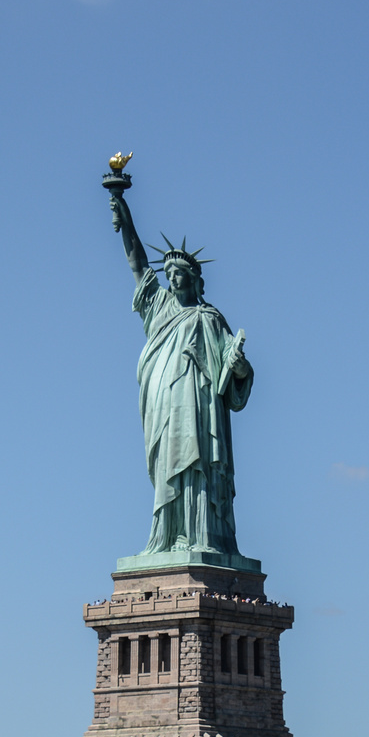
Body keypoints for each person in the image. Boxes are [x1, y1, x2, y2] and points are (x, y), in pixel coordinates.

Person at [109, 191, 252, 557]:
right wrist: (124, 214)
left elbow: (234, 376)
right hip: (164, 403)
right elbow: (137, 263)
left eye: (179, 274)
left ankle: (202, 535)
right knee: (167, 465)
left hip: (200, 409)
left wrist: (238, 368)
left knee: (198, 465)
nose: (172, 280)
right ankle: (167, 537)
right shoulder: (158, 306)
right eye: (168, 274)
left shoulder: (210, 318)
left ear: (194, 279)